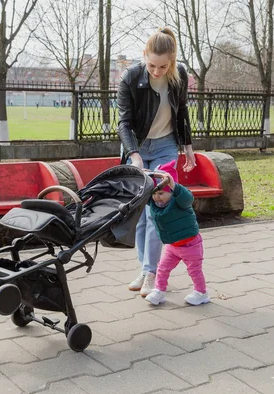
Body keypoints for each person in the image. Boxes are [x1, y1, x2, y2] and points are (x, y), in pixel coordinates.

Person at [117, 27, 196, 297]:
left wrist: (188, 147)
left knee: (156, 211)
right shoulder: (130, 76)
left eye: (164, 66)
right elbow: (124, 122)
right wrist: (133, 154)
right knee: (139, 213)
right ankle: (145, 268)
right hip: (138, 147)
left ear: (172, 60)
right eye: (152, 65)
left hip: (165, 148)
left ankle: (151, 273)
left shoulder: (179, 75)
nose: (157, 71)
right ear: (144, 57)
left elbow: (182, 111)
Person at [145, 160, 209, 306]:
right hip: (172, 246)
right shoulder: (155, 203)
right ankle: (159, 291)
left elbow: (188, 198)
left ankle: (201, 292)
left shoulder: (180, 200)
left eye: (161, 193)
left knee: (194, 270)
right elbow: (145, 195)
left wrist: (174, 185)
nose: (156, 197)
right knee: (162, 268)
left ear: (171, 191)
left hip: (190, 245)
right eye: (154, 194)